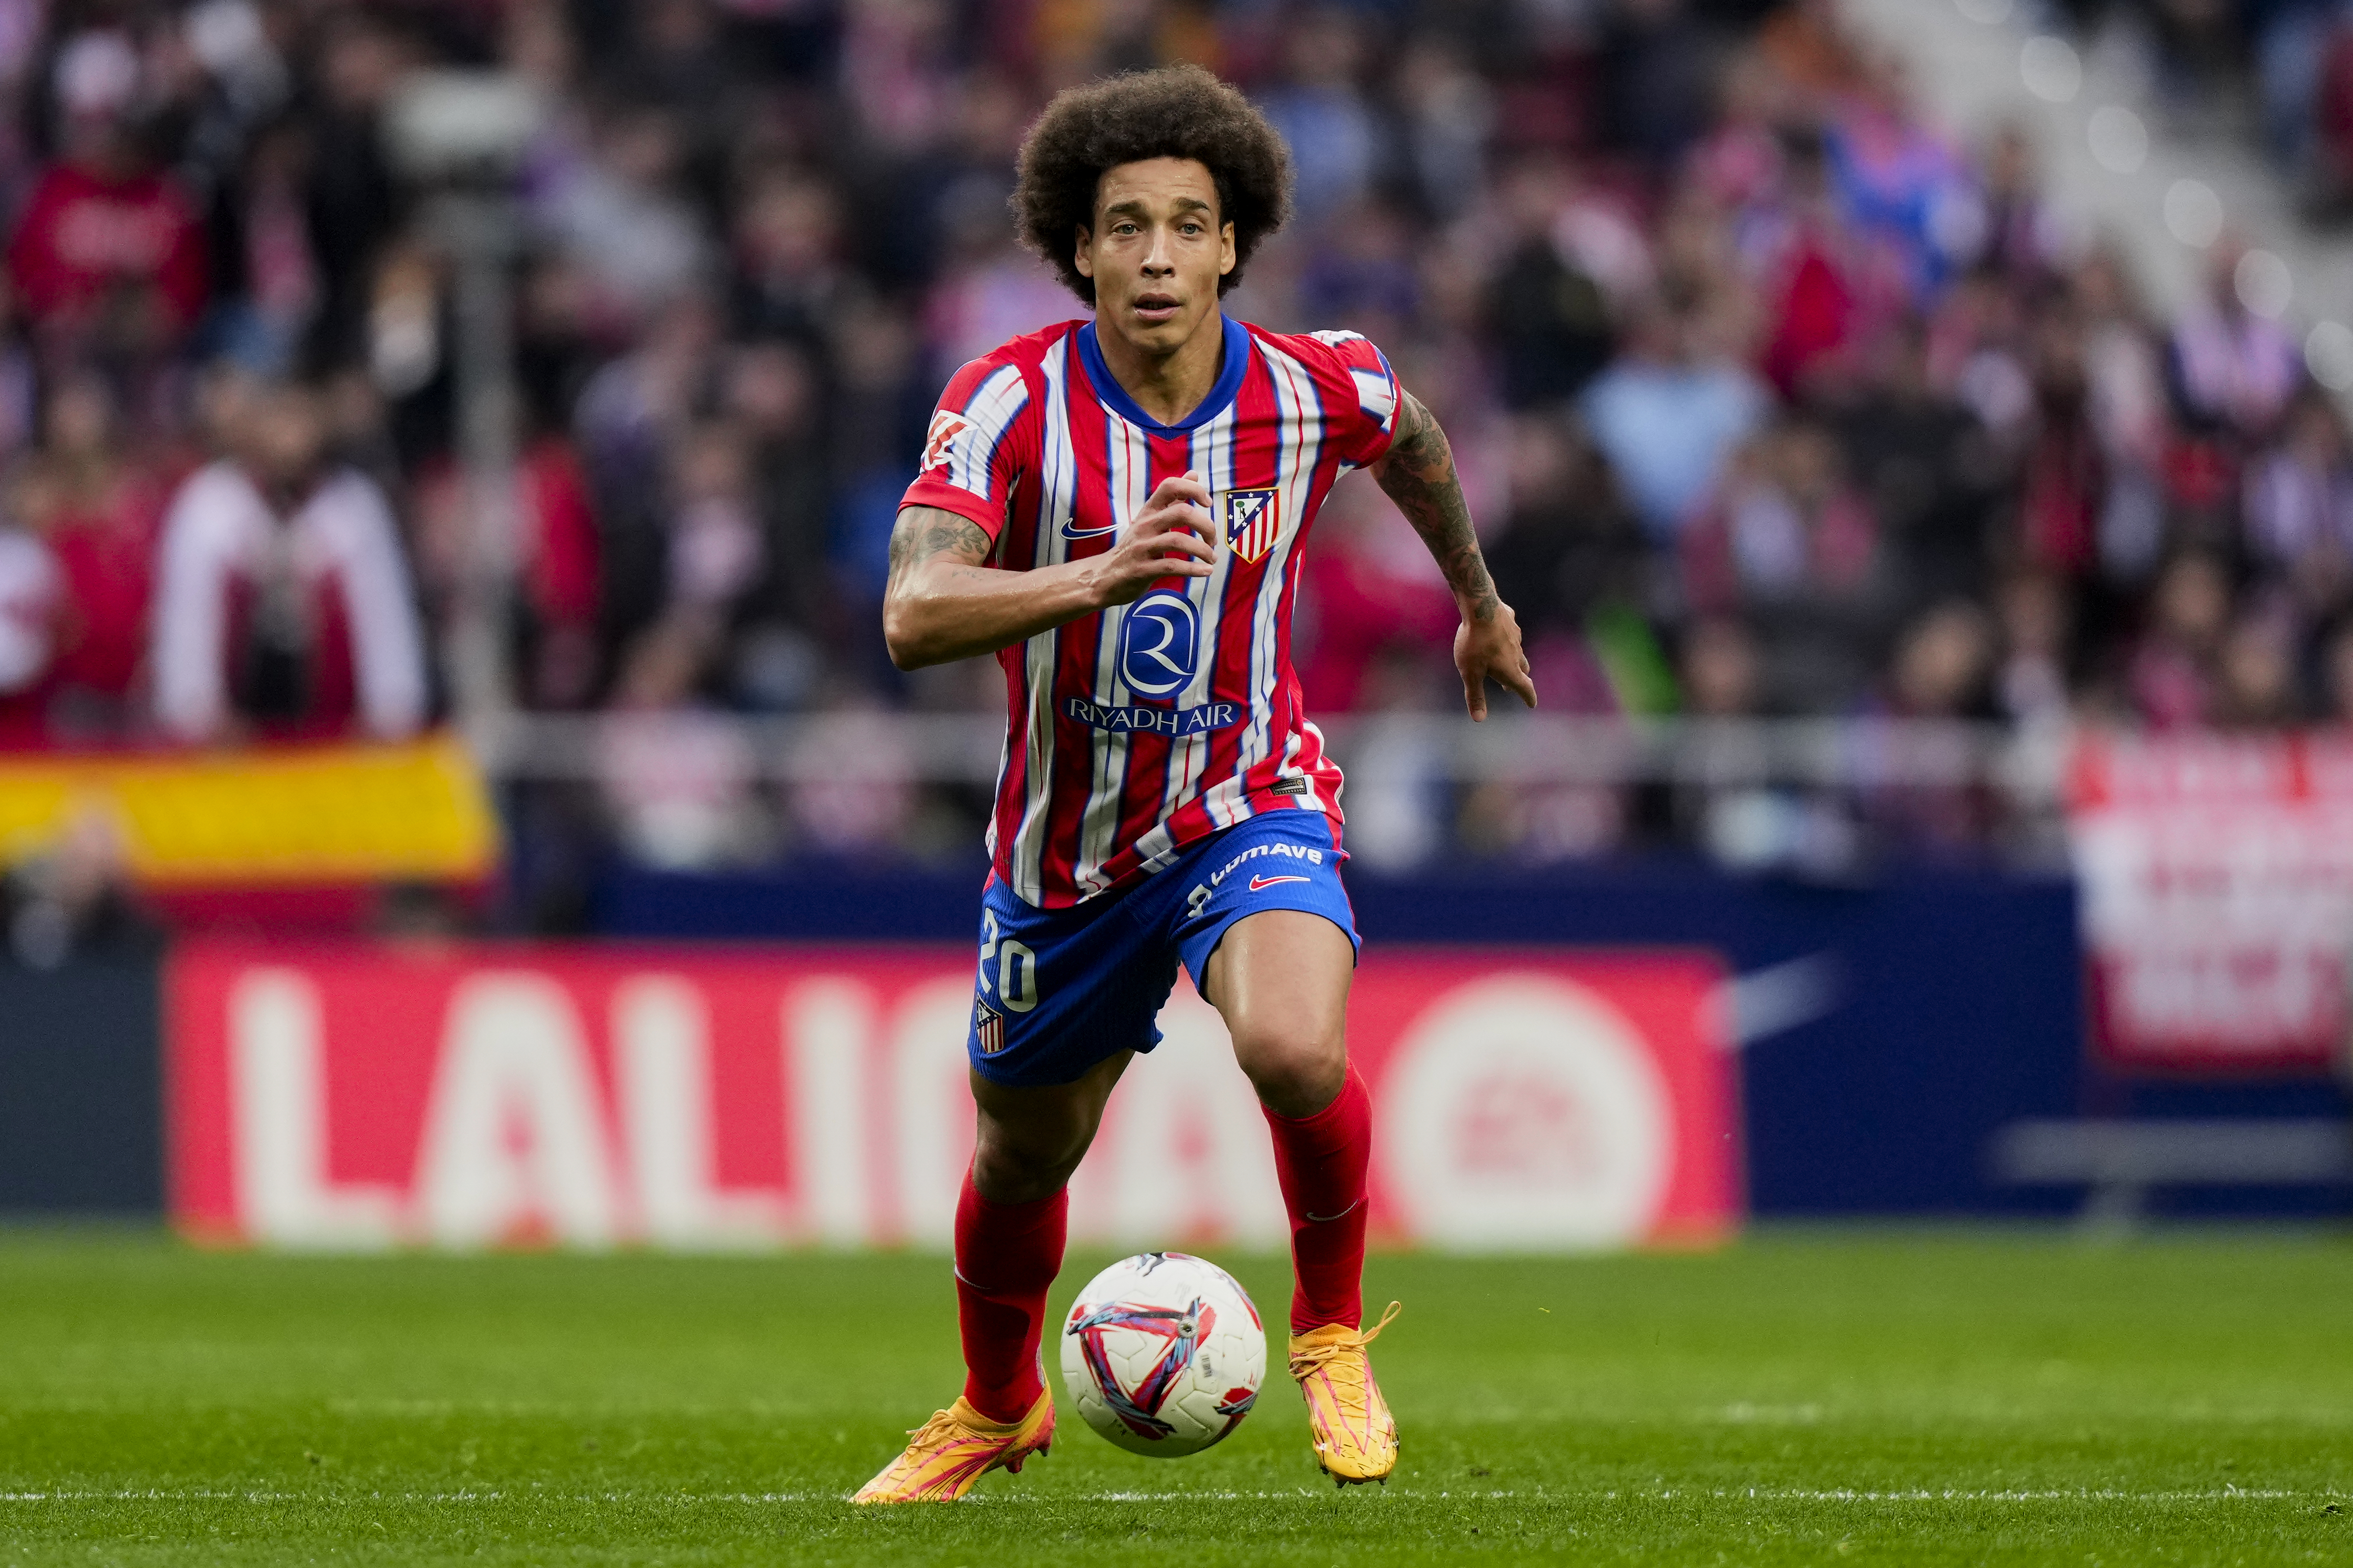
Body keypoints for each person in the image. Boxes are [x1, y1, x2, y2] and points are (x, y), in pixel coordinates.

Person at [854, 65, 1534, 1504]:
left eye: (1187, 226)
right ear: (1079, 248)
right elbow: (913, 613)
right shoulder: (1007, 401)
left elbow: (1411, 438)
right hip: (1069, 854)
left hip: (1249, 796)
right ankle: (996, 1406)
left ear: (1234, 243)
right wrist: (1096, 572)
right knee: (1021, 1151)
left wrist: (1477, 598)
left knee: (1293, 1048)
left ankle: (1334, 1332)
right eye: (1125, 228)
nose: (1157, 256)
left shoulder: (1308, 385)